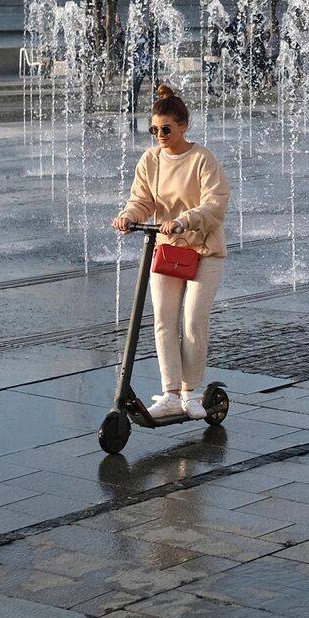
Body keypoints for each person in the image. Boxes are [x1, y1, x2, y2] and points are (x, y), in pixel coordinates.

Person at [111, 86, 232, 420]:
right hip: (167, 250)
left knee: (192, 321)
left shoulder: (201, 159)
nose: (160, 135)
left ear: (184, 126)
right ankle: (169, 393)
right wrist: (130, 216)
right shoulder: (151, 160)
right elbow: (142, 198)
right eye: (154, 129)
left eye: (166, 129)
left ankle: (191, 392)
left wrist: (184, 220)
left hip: (204, 249)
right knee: (163, 321)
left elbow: (216, 202)